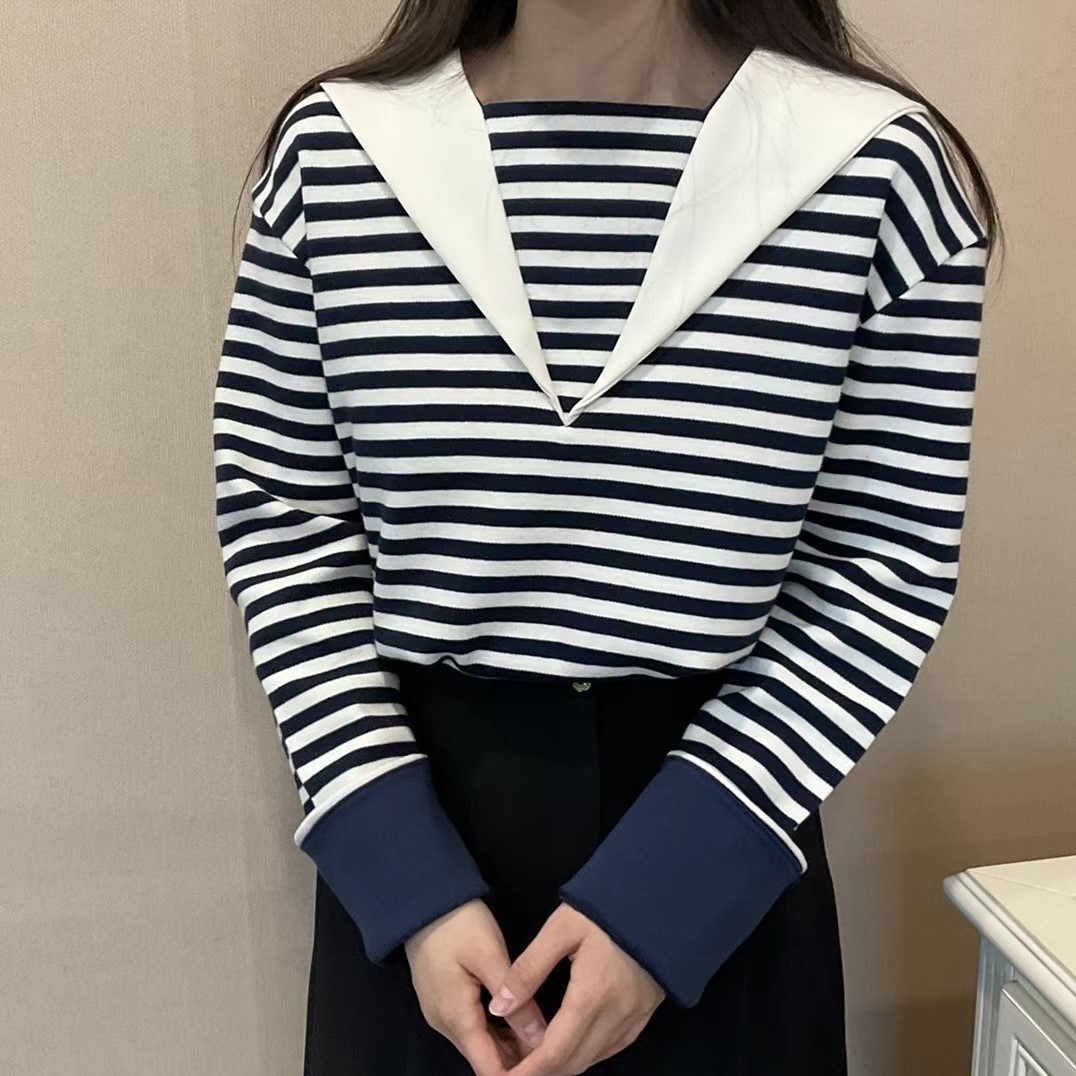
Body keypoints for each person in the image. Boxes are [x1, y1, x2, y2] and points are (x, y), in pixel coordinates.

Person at [212, 1, 999, 1072]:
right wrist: (401, 872)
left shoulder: (872, 169)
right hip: (414, 833)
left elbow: (882, 558)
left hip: (722, 837)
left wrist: (670, 892)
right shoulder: (339, 154)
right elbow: (284, 525)